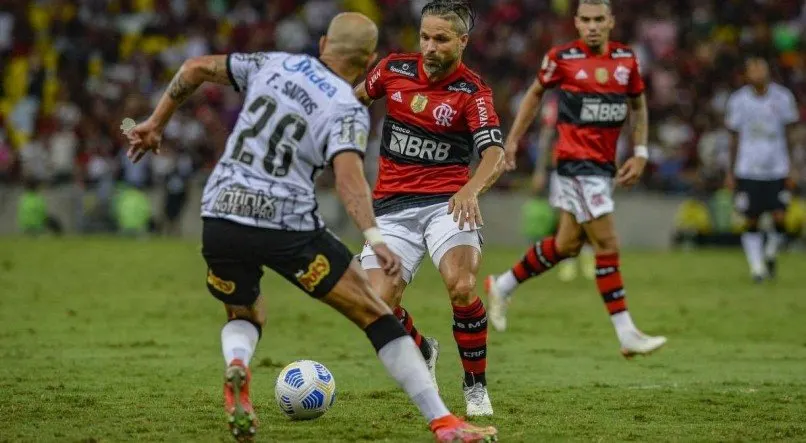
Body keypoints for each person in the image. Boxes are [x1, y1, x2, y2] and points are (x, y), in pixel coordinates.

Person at [123, 12, 497, 443]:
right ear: (370, 59)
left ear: (322, 43)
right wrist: (374, 236)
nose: (429, 47)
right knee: (376, 314)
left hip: (221, 214)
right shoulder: (346, 105)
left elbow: (193, 69)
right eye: (424, 38)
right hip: (289, 223)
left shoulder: (273, 63)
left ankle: (239, 362)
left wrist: (155, 122)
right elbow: (349, 180)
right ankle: (444, 423)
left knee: (246, 311)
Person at [484, 0, 667, 358]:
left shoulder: (626, 60)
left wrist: (642, 152)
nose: (593, 26)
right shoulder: (561, 58)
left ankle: (502, 284)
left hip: (603, 167)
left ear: (611, 21)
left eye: (600, 19)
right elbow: (535, 95)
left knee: (567, 245)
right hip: (574, 165)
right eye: (586, 20)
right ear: (577, 23)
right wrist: (513, 141)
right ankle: (626, 332)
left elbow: (638, 105)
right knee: (607, 244)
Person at [354, 0, 504, 416]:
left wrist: (471, 189)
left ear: (462, 41)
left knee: (461, 285)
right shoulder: (392, 70)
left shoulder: (472, 92)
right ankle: (423, 348)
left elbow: (495, 155)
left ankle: (475, 387)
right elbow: (353, 101)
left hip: (448, 203)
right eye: (425, 37)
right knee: (379, 304)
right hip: (392, 206)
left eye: (441, 39)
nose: (430, 46)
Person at [724, 57, 800, 282]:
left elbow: (790, 134)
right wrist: (730, 171)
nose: (757, 73)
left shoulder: (783, 97)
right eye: (752, 69)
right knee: (752, 219)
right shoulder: (738, 100)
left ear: (768, 72)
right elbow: (734, 137)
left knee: (780, 217)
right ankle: (757, 268)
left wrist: (794, 166)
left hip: (777, 167)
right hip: (748, 168)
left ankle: (770, 253)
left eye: (761, 68)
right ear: (746, 74)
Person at [530, 92, 595, 282]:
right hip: (562, 165)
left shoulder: (590, 98)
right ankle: (568, 260)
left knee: (587, 212)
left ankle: (587, 255)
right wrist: (541, 169)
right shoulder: (554, 102)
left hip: (587, 163)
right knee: (564, 214)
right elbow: (547, 135)